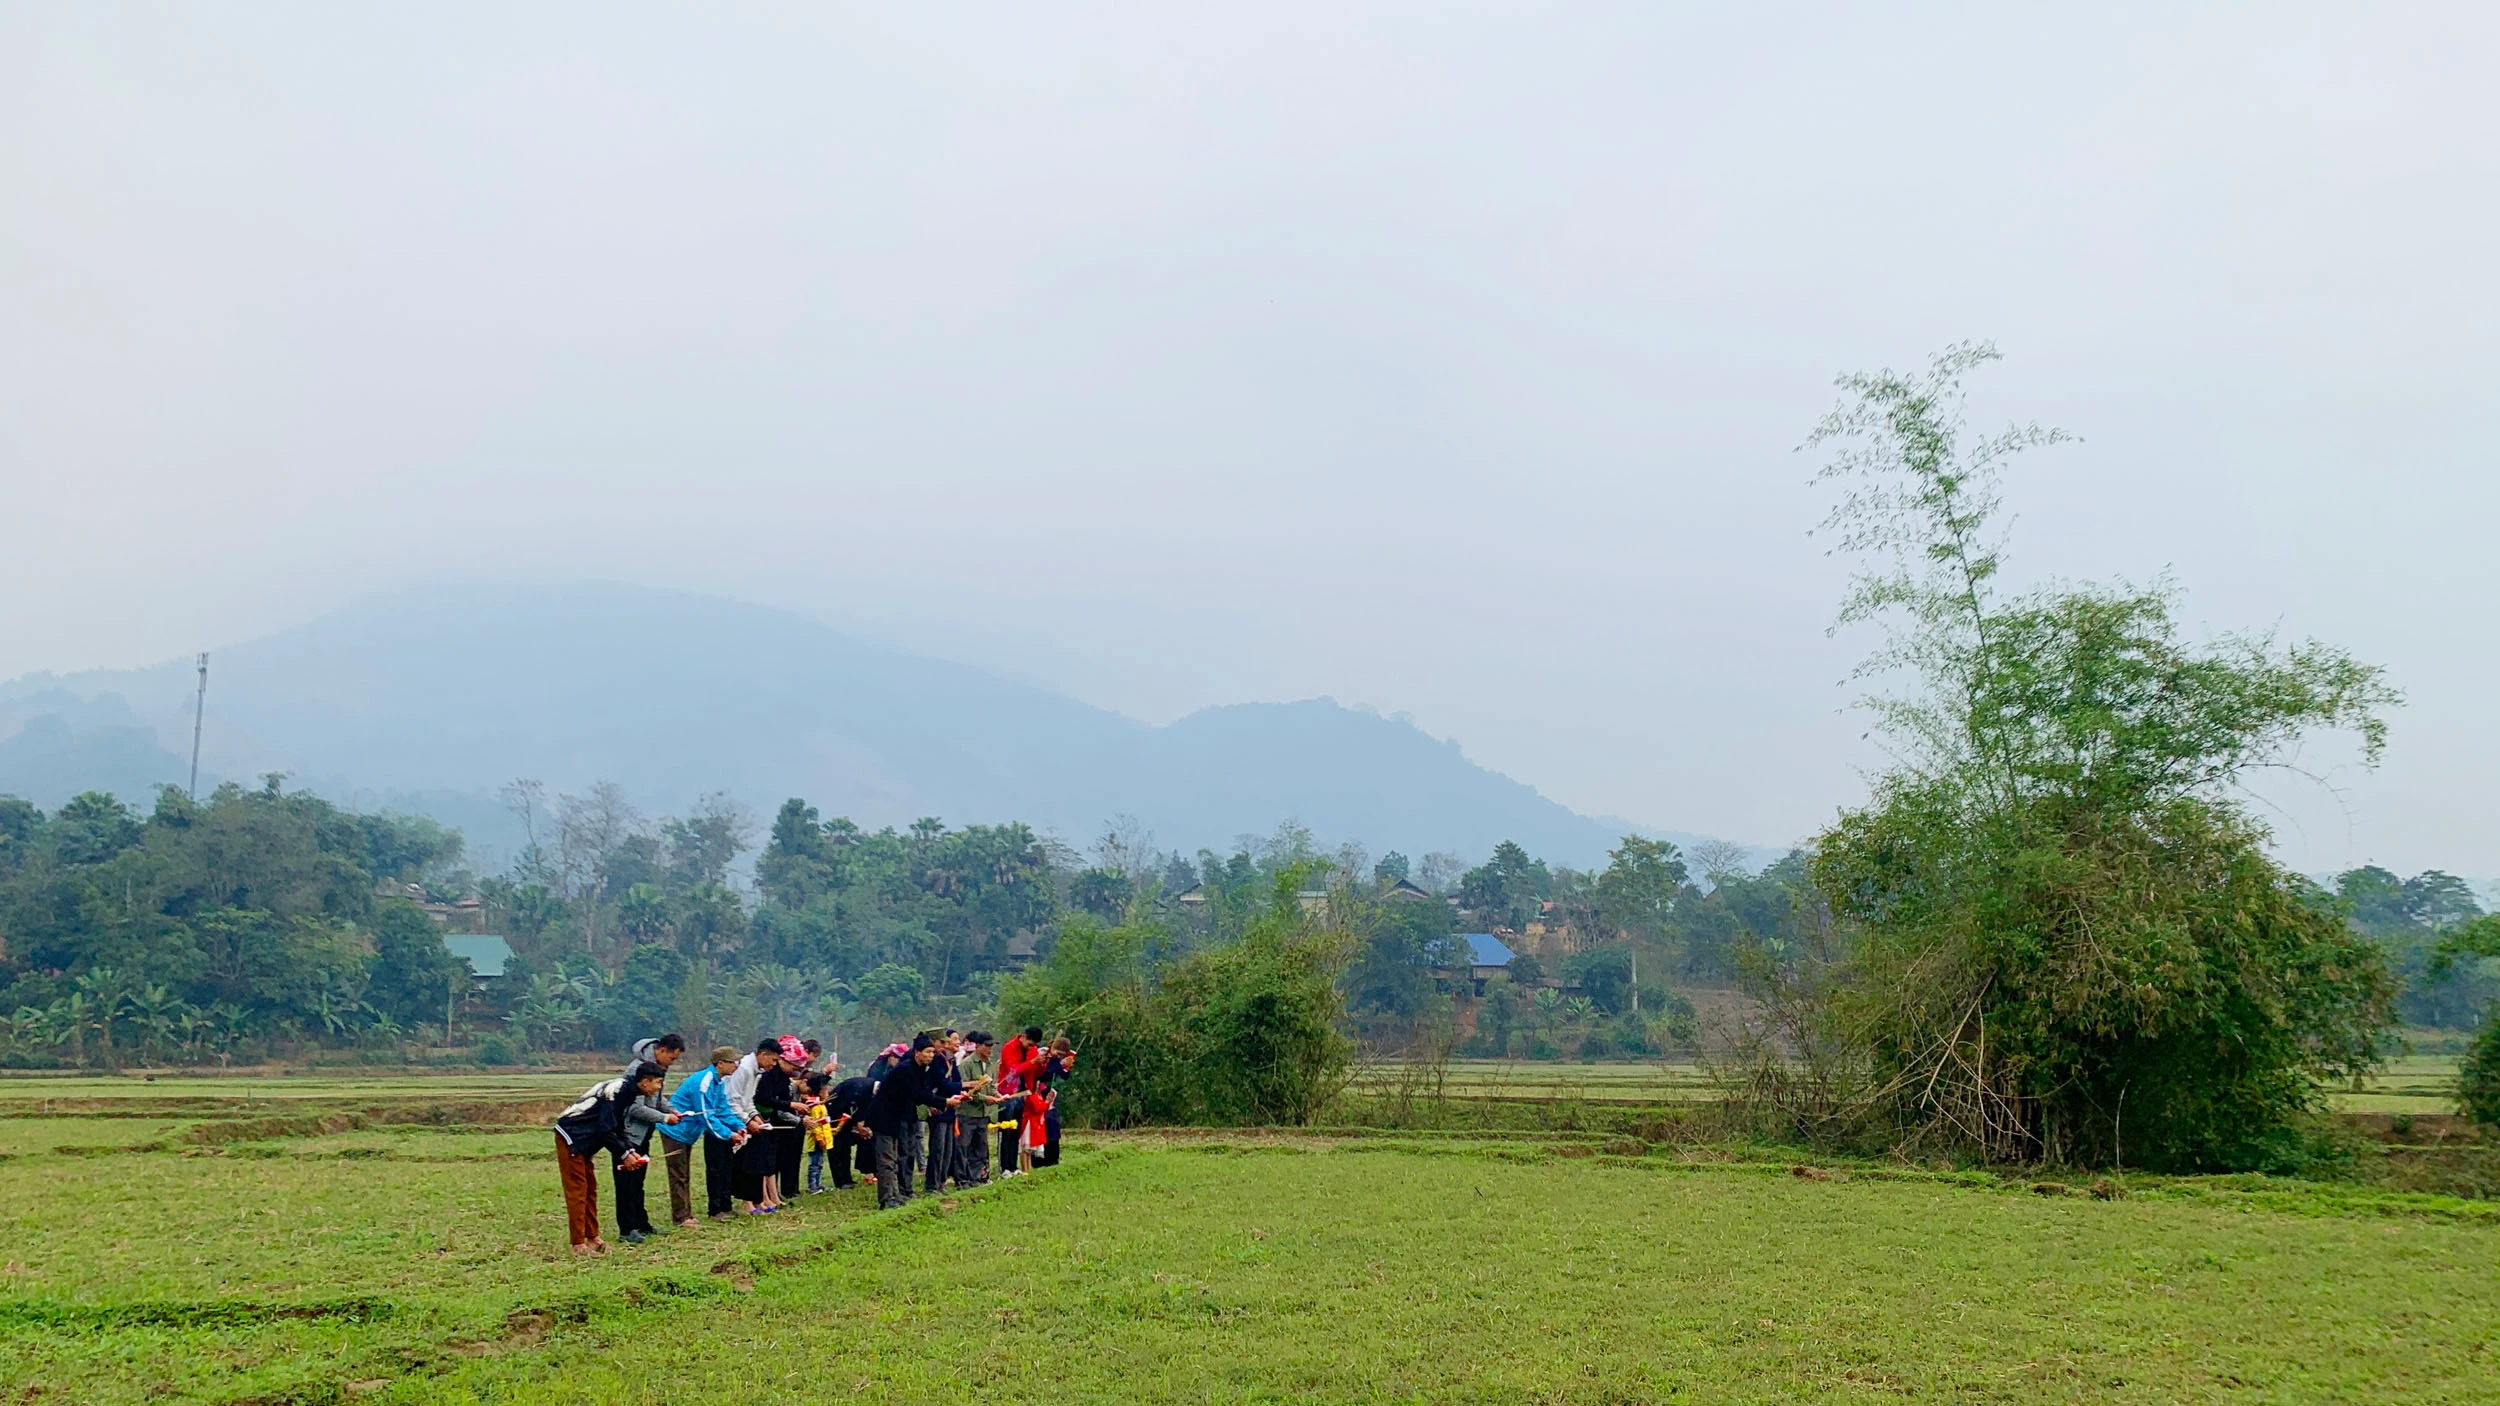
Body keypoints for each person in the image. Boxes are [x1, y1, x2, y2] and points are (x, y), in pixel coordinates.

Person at [553, 1062, 663, 1256]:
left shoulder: (628, 1093)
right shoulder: (616, 1091)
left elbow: (617, 1127)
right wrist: (624, 1155)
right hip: (572, 1136)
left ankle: (593, 1238)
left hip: (587, 1141)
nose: (659, 1088)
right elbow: (606, 1130)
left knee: (590, 1189)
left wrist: (629, 1150)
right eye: (658, 1082)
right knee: (578, 1191)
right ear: (645, 1082)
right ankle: (578, 1245)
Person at [864, 1034, 960, 1209]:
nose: (931, 1055)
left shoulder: (920, 1070)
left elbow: (923, 1093)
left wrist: (937, 1102)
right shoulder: (906, 1069)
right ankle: (887, 1198)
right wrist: (944, 1102)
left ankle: (895, 1194)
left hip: (897, 1117)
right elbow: (919, 1094)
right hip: (883, 1117)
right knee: (886, 1159)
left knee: (893, 1158)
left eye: (933, 1052)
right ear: (917, 1052)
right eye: (928, 1052)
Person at [626, 1034, 693, 1227]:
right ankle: (630, 1227)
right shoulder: (637, 1070)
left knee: (639, 1181)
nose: (672, 1063)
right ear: (661, 1050)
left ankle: (642, 1224)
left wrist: (673, 1110)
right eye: (672, 1058)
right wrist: (665, 1118)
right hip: (632, 1132)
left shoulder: (657, 1068)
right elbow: (635, 1107)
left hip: (645, 1131)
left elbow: (656, 1099)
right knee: (630, 1183)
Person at [676, 1046, 744, 1220]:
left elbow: (722, 1109)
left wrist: (737, 1125)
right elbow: (706, 1115)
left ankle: (725, 1206)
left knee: (725, 1167)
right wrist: (728, 1134)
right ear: (720, 1063)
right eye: (732, 1062)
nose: (736, 1066)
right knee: (683, 1175)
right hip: (677, 1129)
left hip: (693, 1130)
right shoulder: (704, 1082)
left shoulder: (718, 1082)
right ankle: (709, 1211)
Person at [724, 1038, 784, 1213]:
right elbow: (732, 1100)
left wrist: (756, 1118)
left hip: (745, 1119)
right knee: (745, 1163)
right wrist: (747, 1121)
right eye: (773, 1060)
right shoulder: (743, 1069)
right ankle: (747, 1202)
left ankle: (758, 1200)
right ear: (763, 1054)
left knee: (758, 1159)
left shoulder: (757, 1071)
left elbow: (748, 1100)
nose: (774, 1064)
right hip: (734, 1121)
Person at [922, 1031, 964, 1194]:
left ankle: (941, 1182)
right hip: (939, 1107)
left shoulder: (950, 1060)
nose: (954, 1044)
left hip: (950, 1109)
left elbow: (956, 1081)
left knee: (947, 1149)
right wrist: (965, 1085)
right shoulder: (937, 1060)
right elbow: (943, 1083)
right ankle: (932, 1184)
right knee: (938, 1148)